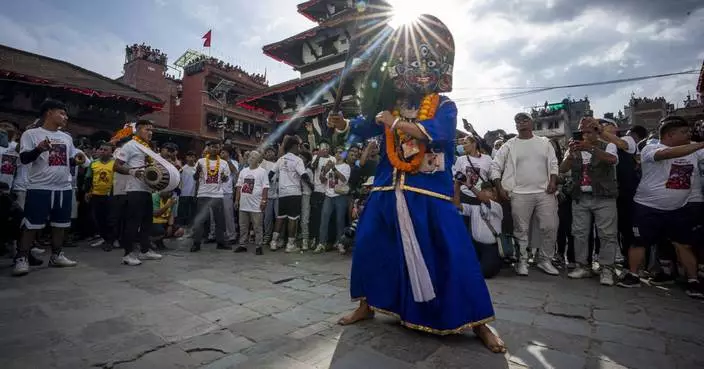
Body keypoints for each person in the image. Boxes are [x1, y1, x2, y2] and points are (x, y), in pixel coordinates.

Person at [328, 15, 504, 353]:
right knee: (369, 246)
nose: (418, 71)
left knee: (453, 253)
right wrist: (341, 123)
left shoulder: (444, 105)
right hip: (384, 188)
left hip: (430, 193)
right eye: (410, 63)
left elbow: (436, 134)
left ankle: (479, 322)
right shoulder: (388, 106)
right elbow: (364, 127)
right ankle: (367, 306)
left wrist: (395, 124)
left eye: (425, 64)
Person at [619, 116, 704, 298]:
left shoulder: (695, 151)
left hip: (679, 207)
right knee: (639, 242)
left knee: (683, 244)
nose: (689, 134)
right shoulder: (652, 148)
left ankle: (693, 280)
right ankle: (633, 275)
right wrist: (699, 145)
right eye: (684, 132)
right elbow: (665, 155)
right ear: (670, 134)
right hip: (647, 207)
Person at [13, 99, 84, 276]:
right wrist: (38, 149)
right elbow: (24, 159)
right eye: (61, 113)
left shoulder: (66, 137)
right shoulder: (31, 134)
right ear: (49, 112)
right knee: (31, 225)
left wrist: (75, 160)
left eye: (65, 114)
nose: (65, 117)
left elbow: (67, 160)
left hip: (64, 188)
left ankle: (57, 255)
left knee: (60, 224)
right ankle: (22, 258)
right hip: (39, 187)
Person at [490, 112, 560, 277]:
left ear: (532, 122)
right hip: (519, 193)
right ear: (515, 125)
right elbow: (495, 166)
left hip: (544, 192)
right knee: (521, 229)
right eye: (518, 120)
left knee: (549, 226)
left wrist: (553, 181)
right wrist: (500, 188)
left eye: (525, 119)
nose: (521, 122)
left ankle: (545, 260)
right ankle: (522, 261)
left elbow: (553, 164)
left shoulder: (544, 143)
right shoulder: (509, 145)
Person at [559, 118, 619, 285]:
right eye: (582, 132)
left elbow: (612, 160)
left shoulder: (608, 145)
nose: (584, 135)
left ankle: (607, 269)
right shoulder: (574, 148)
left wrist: (591, 148)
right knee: (579, 233)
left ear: (596, 132)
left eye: (588, 132)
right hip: (580, 197)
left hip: (604, 197)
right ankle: (583, 267)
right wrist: (570, 156)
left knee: (607, 234)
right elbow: (562, 170)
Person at [113, 120, 164, 266]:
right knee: (133, 223)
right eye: (147, 129)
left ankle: (145, 250)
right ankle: (128, 254)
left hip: (147, 189)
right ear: (138, 130)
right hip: (134, 190)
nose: (150, 132)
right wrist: (132, 171)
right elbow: (116, 166)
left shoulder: (147, 148)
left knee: (147, 222)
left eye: (151, 130)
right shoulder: (130, 146)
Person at [270, 136, 313, 252]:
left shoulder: (280, 159)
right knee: (292, 219)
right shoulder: (298, 160)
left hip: (282, 193)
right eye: (298, 146)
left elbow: (270, 174)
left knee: (280, 217)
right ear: (294, 147)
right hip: (294, 193)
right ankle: (290, 245)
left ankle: (273, 242)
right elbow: (304, 176)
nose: (299, 149)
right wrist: (311, 186)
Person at [190, 141, 231, 252]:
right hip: (203, 194)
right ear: (208, 148)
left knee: (220, 220)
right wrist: (198, 171)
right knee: (200, 220)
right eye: (212, 147)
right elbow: (194, 178)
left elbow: (226, 179)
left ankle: (221, 242)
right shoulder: (201, 161)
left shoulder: (223, 163)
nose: (214, 149)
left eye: (216, 147)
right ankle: (196, 243)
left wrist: (223, 177)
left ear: (219, 149)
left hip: (217, 195)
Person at [315, 147, 351, 253]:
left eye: (341, 152)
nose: (338, 154)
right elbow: (322, 180)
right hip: (328, 195)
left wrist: (334, 169)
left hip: (340, 195)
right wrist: (325, 170)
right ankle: (321, 243)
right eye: (337, 152)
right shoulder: (329, 164)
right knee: (324, 219)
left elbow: (344, 180)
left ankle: (340, 242)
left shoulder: (346, 166)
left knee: (340, 220)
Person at [234, 150, 269, 255]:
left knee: (257, 227)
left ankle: (258, 246)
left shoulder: (262, 171)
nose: (251, 158)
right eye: (250, 156)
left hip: (256, 205)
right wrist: (236, 200)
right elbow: (239, 186)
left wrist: (264, 201)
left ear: (258, 159)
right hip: (244, 204)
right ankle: (242, 245)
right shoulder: (243, 171)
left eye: (254, 156)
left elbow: (265, 187)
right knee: (243, 226)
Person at [85, 142, 115, 251]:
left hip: (110, 196)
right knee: (98, 219)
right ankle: (105, 237)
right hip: (96, 195)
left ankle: (110, 241)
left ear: (111, 152)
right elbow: (88, 179)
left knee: (110, 219)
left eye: (105, 150)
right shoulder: (93, 164)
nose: (102, 151)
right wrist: (87, 192)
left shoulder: (115, 164)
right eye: (101, 149)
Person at [177, 151, 198, 233]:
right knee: (182, 213)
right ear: (186, 158)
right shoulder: (182, 169)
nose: (190, 158)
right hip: (184, 194)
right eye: (189, 156)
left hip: (194, 194)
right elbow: (178, 180)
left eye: (192, 156)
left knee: (192, 213)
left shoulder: (197, 168)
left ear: (195, 158)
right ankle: (181, 231)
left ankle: (191, 230)